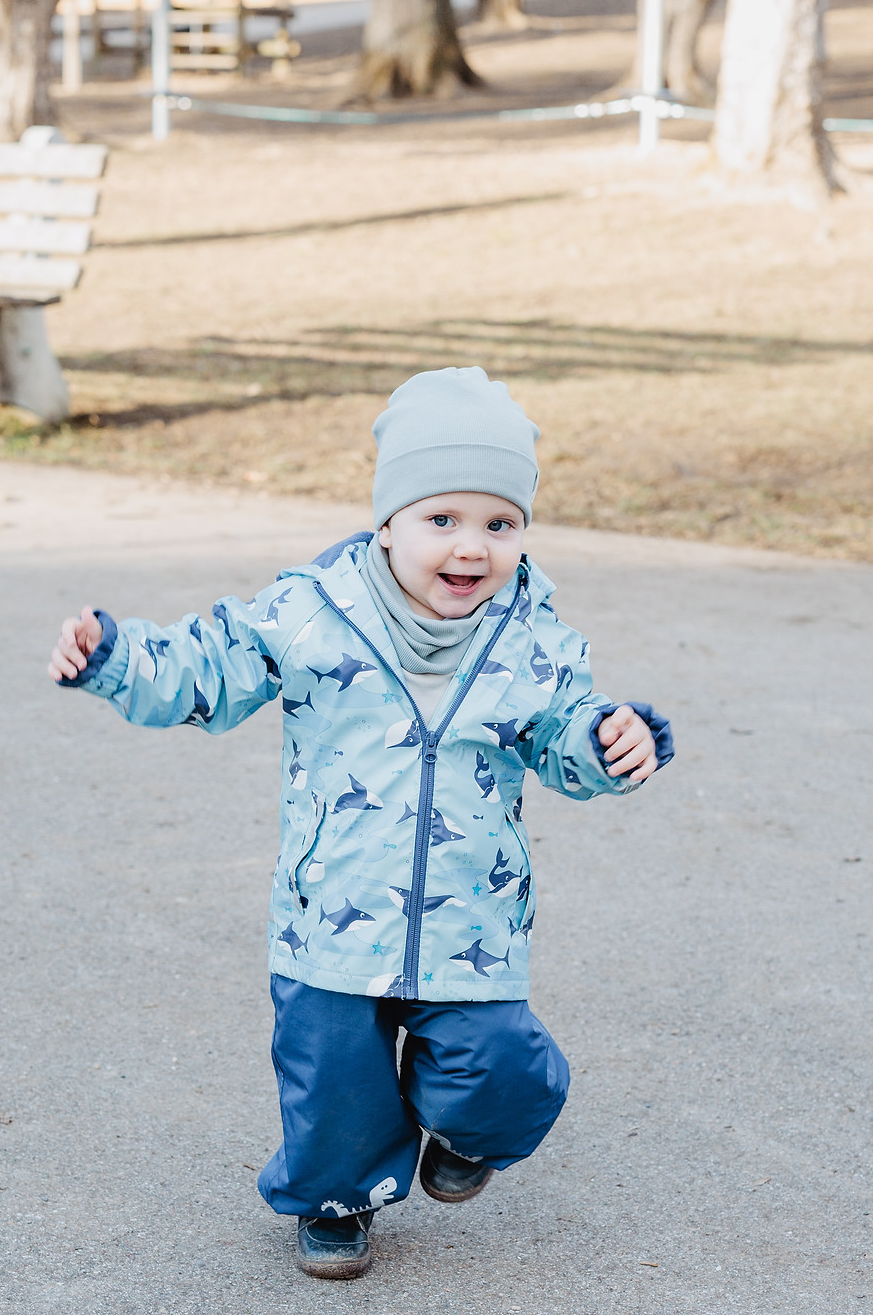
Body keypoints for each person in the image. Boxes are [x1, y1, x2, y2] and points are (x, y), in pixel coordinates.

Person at [49, 366, 673, 1281]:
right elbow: (210, 670)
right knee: (334, 1085)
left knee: (503, 1072)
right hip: (330, 909)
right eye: (441, 520)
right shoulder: (311, 613)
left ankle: (467, 1132)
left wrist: (612, 742)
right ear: (389, 522)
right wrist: (114, 659)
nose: (471, 549)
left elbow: (562, 735)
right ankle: (337, 1200)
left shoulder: (534, 642)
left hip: (470, 919)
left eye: (499, 524)